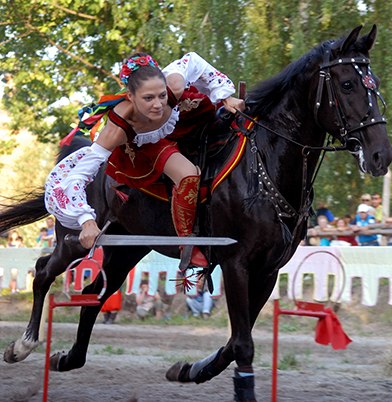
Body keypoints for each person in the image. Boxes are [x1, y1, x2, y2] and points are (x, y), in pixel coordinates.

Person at [44, 52, 245, 269]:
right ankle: (187, 242)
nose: (158, 105)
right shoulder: (117, 129)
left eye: (161, 95)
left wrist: (225, 96)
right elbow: (76, 178)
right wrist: (87, 221)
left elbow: (195, 61)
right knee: (187, 173)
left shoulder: (174, 84)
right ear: (130, 96)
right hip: (146, 146)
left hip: (185, 121)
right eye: (148, 98)